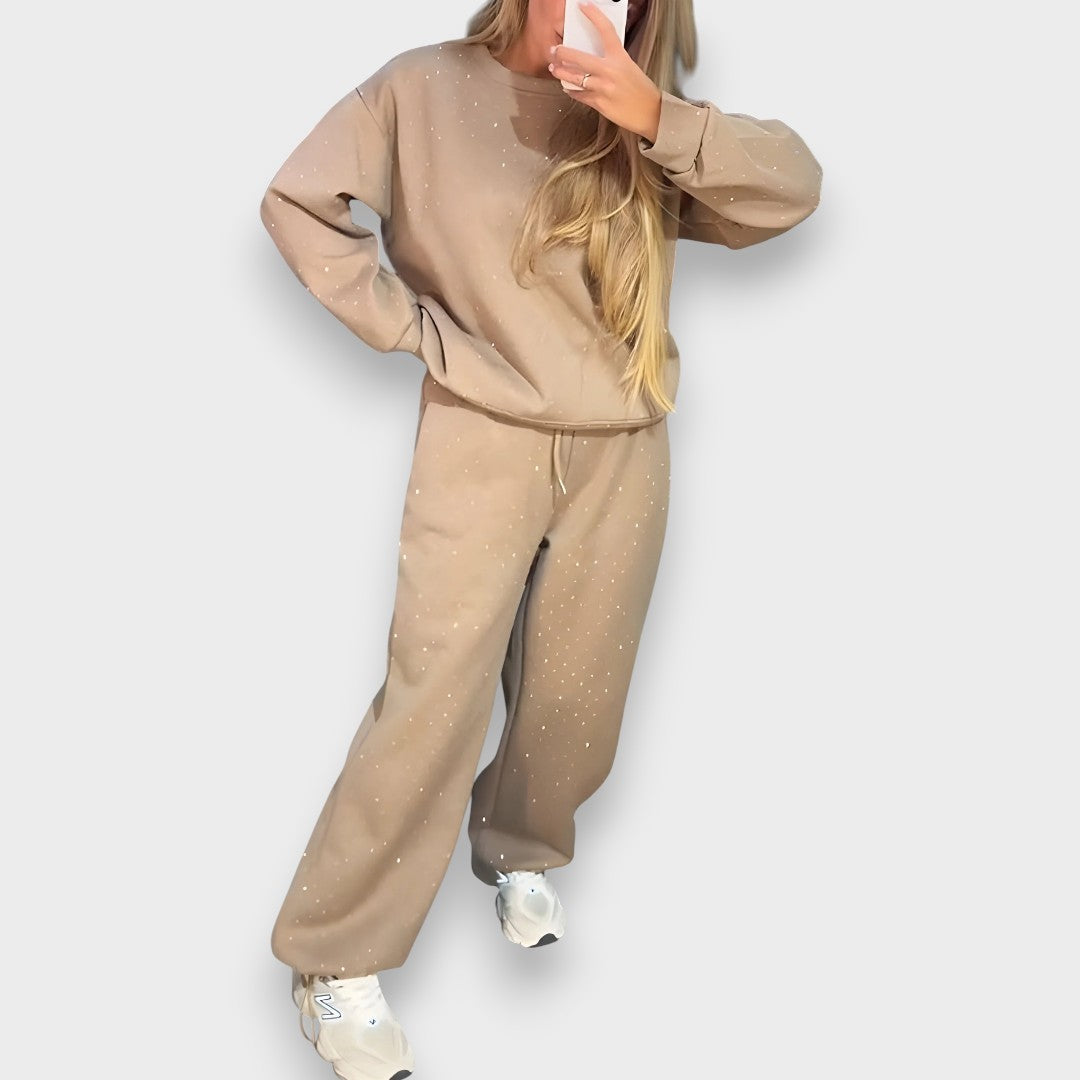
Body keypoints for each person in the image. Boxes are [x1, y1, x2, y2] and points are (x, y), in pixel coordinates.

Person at [258, 1, 822, 1076]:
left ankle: (519, 850)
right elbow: (298, 199)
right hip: (481, 437)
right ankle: (336, 957)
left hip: (626, 446)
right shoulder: (420, 88)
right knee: (435, 697)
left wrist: (654, 116)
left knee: (578, 692)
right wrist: (409, 329)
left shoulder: (641, 119)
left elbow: (793, 190)